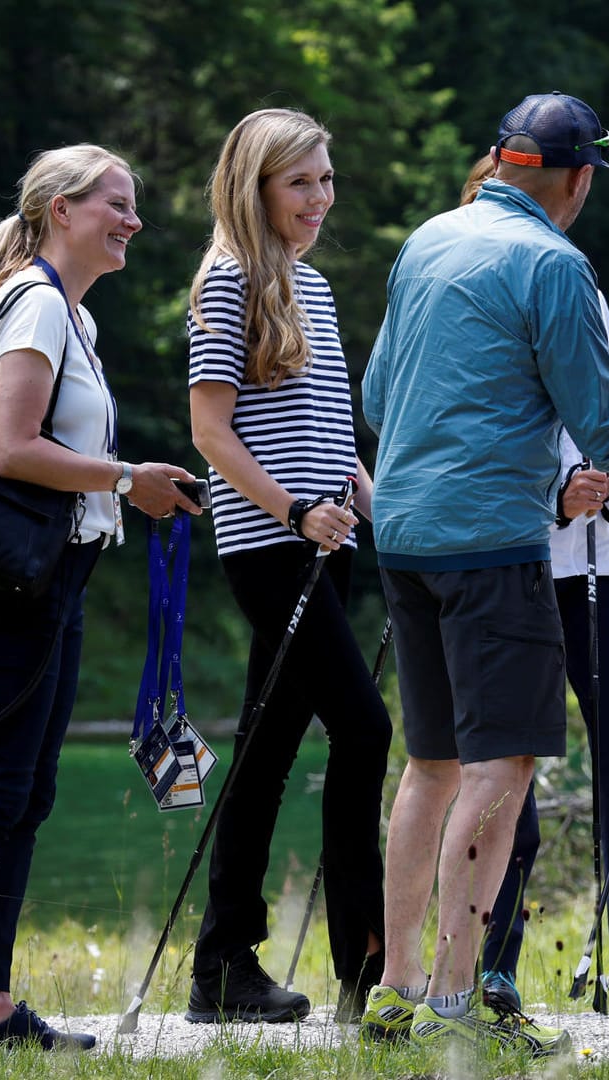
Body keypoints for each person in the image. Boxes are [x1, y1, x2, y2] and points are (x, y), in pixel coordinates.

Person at [356, 91, 609, 1057]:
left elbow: (376, 392)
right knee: (503, 764)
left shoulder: (428, 238)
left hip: (403, 534)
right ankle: (453, 1000)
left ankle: (390, 990)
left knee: (429, 764)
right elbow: (604, 419)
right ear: (576, 178)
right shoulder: (552, 262)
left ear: (497, 160)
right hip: (491, 541)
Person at [0, 144, 199, 1049]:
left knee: (26, 793)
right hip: (8, 586)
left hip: (50, 577)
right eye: (116, 204)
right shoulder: (34, 306)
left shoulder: (71, 316)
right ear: (61, 210)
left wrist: (124, 489)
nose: (132, 221)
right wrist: (126, 477)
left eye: (134, 207)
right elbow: (12, 449)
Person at [457, 155, 609, 1016]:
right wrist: (553, 493)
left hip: (597, 560)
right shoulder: (472, 283)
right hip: (514, 559)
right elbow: (472, 433)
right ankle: (491, 963)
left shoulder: (577, 280)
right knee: (504, 766)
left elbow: (599, 419)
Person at [184, 107, 392, 1026]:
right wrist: (294, 511)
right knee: (366, 729)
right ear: (256, 187)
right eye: (300, 182)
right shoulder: (227, 283)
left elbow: (332, 428)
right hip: (272, 547)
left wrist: (370, 503)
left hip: (328, 544)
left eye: (326, 179)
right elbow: (209, 431)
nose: (320, 198)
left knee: (265, 752)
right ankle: (367, 966)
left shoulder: (313, 285)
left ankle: (224, 965)